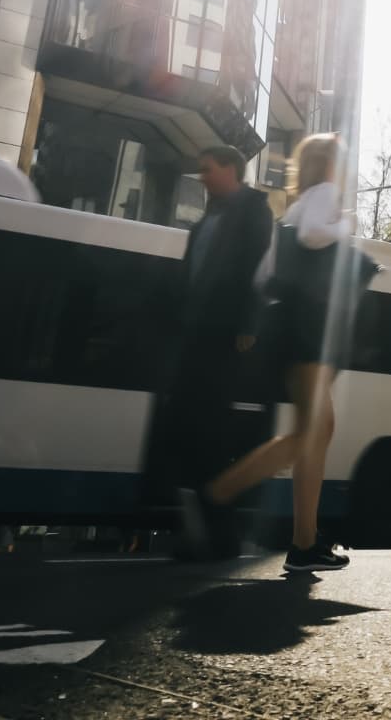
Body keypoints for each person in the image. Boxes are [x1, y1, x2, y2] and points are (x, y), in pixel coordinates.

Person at [187, 134, 356, 572]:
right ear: (332, 166)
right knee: (313, 433)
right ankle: (222, 492)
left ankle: (304, 542)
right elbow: (319, 237)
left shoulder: (297, 204)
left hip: (292, 330)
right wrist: (346, 227)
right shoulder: (326, 198)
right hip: (313, 330)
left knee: (316, 431)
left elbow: (264, 272)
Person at [161, 145, 272, 560]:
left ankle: (220, 534)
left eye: (207, 169)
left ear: (231, 169)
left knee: (208, 434)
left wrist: (248, 324)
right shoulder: (208, 218)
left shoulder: (254, 210)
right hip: (193, 339)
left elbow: (260, 269)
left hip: (224, 340)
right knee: (184, 431)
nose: (201, 176)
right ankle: (202, 528)